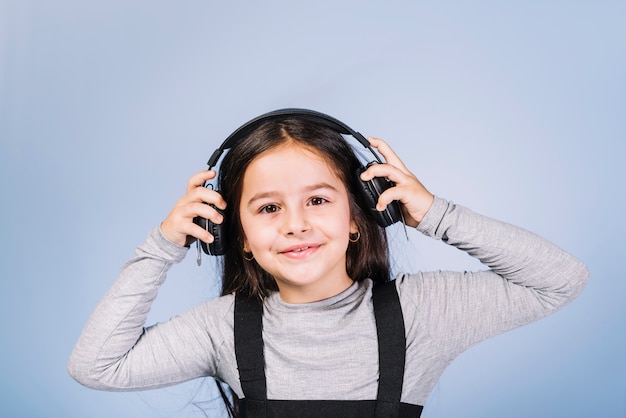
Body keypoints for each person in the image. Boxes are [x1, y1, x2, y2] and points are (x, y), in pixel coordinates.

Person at [68, 109, 589, 417]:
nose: (295, 223)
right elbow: (97, 367)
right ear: (239, 237)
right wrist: (162, 246)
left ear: (359, 217)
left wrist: (433, 212)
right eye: (269, 208)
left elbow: (559, 281)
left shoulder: (422, 312)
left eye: (318, 200)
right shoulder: (223, 328)